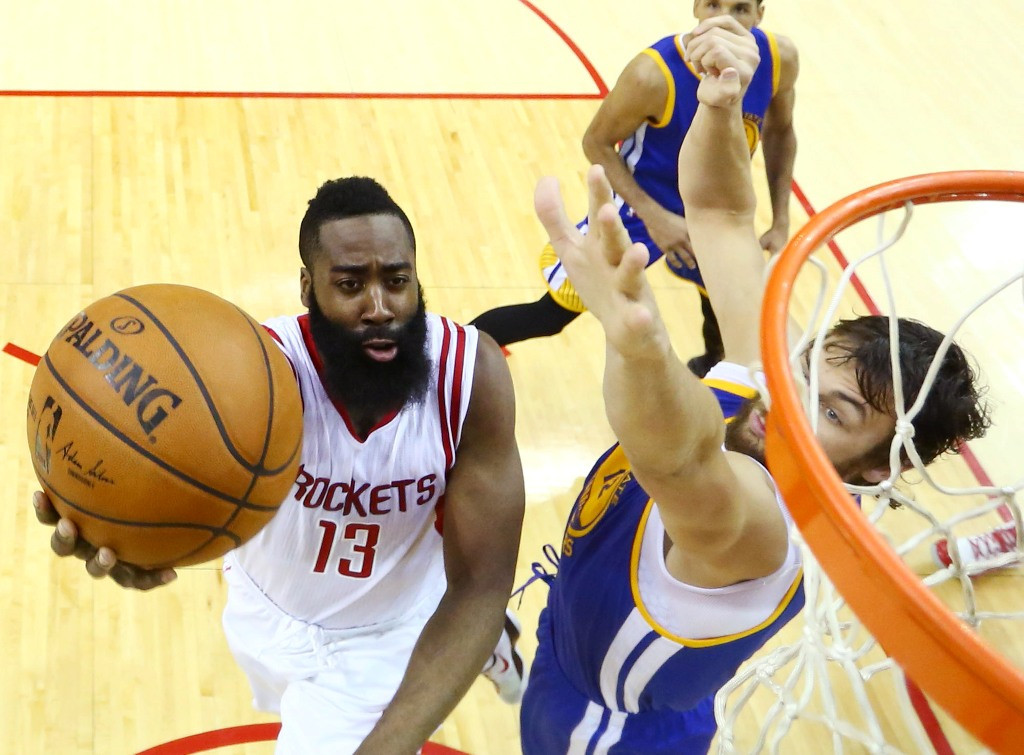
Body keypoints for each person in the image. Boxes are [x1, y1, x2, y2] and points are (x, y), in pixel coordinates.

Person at [516, 17, 989, 754]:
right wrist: (719, 105)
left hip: (601, 729)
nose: (786, 400)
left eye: (834, 411)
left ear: (870, 469)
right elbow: (723, 215)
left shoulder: (761, 531)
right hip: (578, 636)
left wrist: (639, 347)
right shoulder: (766, 390)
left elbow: (677, 456)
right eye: (805, 371)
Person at [32, 177, 527, 753]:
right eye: (349, 285)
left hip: (381, 641)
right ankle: (486, 642)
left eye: (397, 281)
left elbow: (481, 586)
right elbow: (159, 471)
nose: (378, 308)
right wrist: (128, 533)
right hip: (262, 609)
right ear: (307, 287)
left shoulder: (470, 378)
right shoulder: (252, 376)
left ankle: (465, 640)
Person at [471, 0, 798, 377]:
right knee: (553, 313)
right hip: (640, 206)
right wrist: (656, 218)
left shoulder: (779, 59)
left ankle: (712, 366)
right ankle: (452, 352)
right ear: (695, 7)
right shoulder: (652, 74)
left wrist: (781, 219)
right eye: (712, 4)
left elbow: (780, 132)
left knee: (724, 302)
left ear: (760, 13)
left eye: (740, 8)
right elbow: (595, 143)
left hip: (716, 214)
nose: (724, 19)